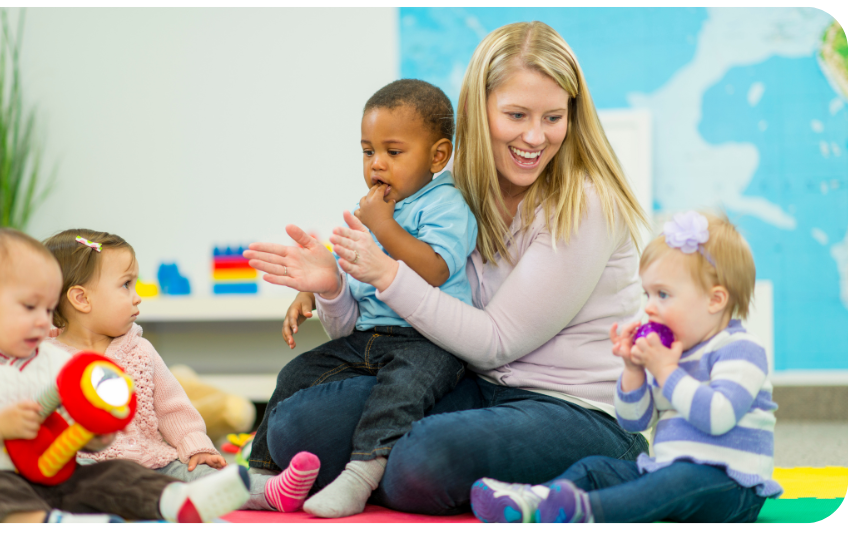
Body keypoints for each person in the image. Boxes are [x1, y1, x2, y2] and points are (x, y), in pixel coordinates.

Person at [245, 21, 651, 515]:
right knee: (295, 428)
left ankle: (610, 469)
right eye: (516, 114)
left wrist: (388, 273)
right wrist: (332, 286)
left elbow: (497, 340)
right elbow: (366, 325)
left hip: (572, 408)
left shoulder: (586, 203)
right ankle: (391, 471)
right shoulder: (448, 191)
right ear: (480, 115)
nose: (534, 136)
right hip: (473, 386)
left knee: (421, 460)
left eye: (553, 117)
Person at [244, 79, 478, 518]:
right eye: (369, 152)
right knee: (298, 371)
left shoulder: (445, 204)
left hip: (428, 342)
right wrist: (315, 288)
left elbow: (434, 269)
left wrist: (384, 225)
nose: (377, 165)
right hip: (370, 336)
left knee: (399, 392)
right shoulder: (376, 210)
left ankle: (362, 473)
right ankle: (263, 475)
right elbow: (355, 274)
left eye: (393, 152)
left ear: (438, 156)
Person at [470, 211, 780, 524]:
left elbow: (717, 416)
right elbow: (635, 422)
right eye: (647, 293)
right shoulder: (673, 355)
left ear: (715, 300)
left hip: (732, 487)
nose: (648, 306)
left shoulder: (740, 350)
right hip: (668, 474)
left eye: (663, 294)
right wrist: (633, 370)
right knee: (595, 468)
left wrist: (665, 371)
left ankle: (588, 514)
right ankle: (534, 502)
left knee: (677, 480)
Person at [0, 228, 251, 524]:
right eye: (30, 308)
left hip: (61, 475)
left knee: (115, 472)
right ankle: (47, 523)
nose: (44, 321)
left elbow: (80, 419)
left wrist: (98, 434)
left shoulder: (52, 360)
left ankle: (174, 501)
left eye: (47, 309)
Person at [43, 229, 320, 506]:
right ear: (81, 299)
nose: (137, 297)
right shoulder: (45, 360)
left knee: (205, 475)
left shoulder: (140, 350)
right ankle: (166, 506)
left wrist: (196, 447)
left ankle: (270, 491)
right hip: (87, 470)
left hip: (154, 464)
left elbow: (173, 408)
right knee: (72, 488)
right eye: (126, 285)